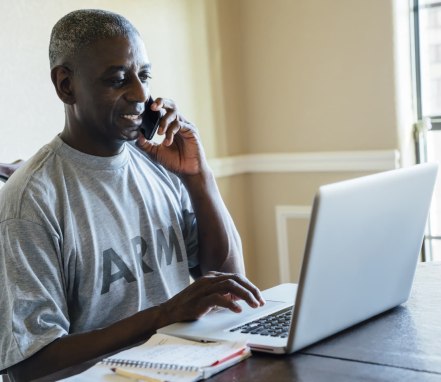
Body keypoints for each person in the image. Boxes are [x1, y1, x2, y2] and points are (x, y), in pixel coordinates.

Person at [0, 9, 264, 381]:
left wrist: (198, 177)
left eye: (144, 76)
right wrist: (164, 315)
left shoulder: (161, 165)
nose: (141, 94)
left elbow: (229, 282)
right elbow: (31, 363)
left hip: (180, 367)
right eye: (117, 79)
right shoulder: (31, 200)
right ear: (66, 85)